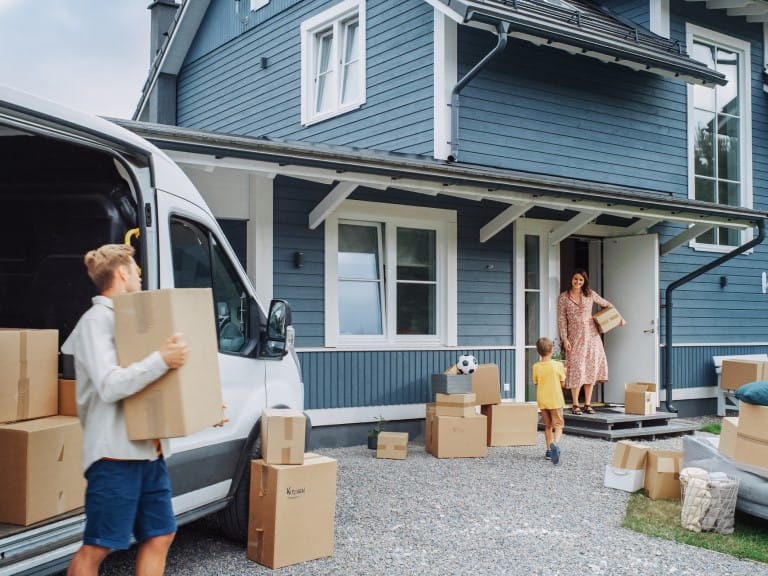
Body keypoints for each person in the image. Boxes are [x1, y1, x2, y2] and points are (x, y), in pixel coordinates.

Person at [61, 244, 188, 576]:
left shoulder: (133, 323)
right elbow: (111, 384)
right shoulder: (95, 322)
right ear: (122, 273)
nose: (140, 277)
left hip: (149, 452)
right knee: (99, 544)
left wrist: (201, 408)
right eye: (136, 270)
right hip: (115, 457)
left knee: (161, 534)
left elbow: (153, 383)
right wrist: (162, 359)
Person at [557, 268, 622, 415]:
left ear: (584, 281)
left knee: (590, 369)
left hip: (592, 336)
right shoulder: (563, 297)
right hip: (574, 337)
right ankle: (575, 404)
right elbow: (562, 319)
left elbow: (607, 304)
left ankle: (587, 404)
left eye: (581, 280)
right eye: (575, 279)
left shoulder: (590, 294)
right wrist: (564, 338)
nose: (578, 282)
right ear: (571, 279)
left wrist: (617, 319)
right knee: (576, 369)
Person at [532, 337, 566, 465]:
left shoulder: (536, 367)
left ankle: (547, 451)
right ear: (552, 350)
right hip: (556, 400)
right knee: (558, 425)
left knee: (548, 426)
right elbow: (562, 384)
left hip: (543, 401)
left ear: (538, 351)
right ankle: (555, 444)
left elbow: (536, 383)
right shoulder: (558, 365)